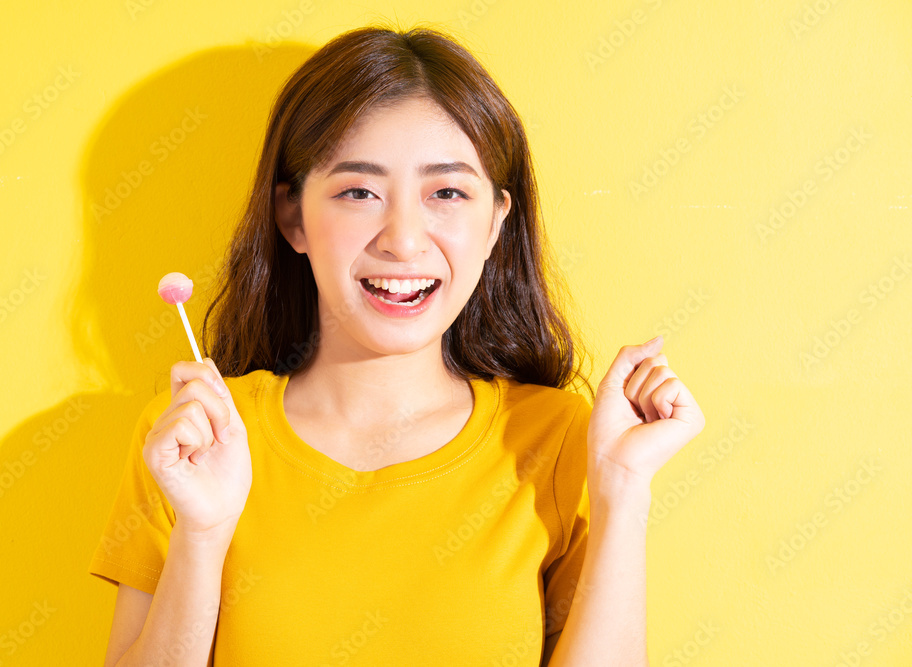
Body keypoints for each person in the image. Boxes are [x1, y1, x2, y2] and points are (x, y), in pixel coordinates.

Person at [88, 23, 705, 667]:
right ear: (293, 217)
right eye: (359, 191)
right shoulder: (197, 436)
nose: (404, 240)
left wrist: (624, 491)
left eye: (447, 193)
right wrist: (203, 535)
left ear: (497, 222)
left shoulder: (554, 441)